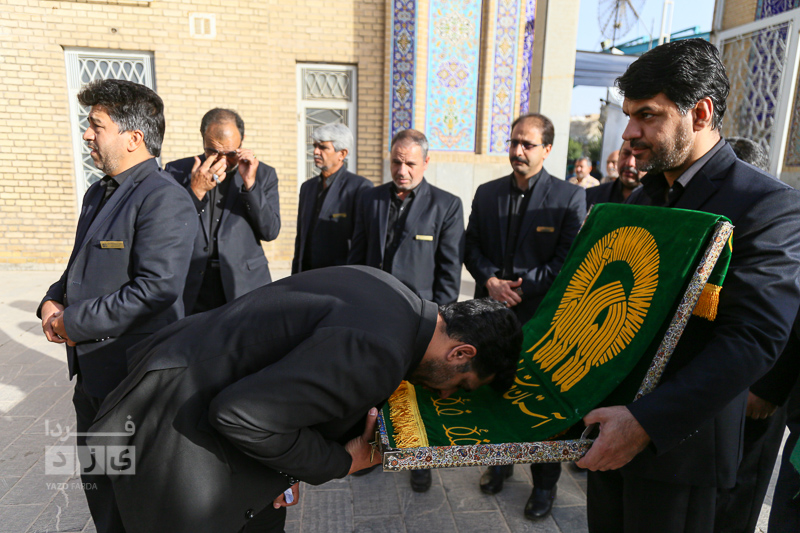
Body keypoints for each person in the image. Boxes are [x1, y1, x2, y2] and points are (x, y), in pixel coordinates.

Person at [86, 266, 523, 533]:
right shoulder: (382, 353)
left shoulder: (393, 294)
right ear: (461, 353)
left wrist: (286, 468)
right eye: (461, 384)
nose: (445, 393)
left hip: (172, 395)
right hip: (175, 439)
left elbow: (287, 387)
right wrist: (343, 461)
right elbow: (241, 416)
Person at [578, 38, 800, 533]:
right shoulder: (642, 200)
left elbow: (755, 337)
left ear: (699, 113)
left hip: (678, 453)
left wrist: (646, 423)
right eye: (629, 115)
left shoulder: (767, 205)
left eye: (647, 116)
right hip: (608, 429)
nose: (629, 133)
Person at [37, 79, 197, 533]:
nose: (86, 134)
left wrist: (72, 322)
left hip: (133, 382)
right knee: (102, 492)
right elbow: (79, 267)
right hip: (91, 379)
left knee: (139, 499)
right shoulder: (98, 192)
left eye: (97, 125)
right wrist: (51, 300)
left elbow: (156, 289)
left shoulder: (164, 197)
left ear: (133, 137)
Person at [464, 112, 586, 519]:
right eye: (514, 141)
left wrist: (518, 286)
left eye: (527, 144)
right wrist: (490, 281)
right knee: (495, 394)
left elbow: (566, 262)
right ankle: (499, 464)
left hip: (541, 321)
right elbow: (470, 247)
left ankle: (545, 485)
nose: (518, 150)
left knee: (539, 403)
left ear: (547, 149)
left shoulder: (568, 197)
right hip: (491, 317)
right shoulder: (487, 193)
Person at [348, 128, 464, 491]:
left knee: (417, 390)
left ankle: (418, 458)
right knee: (370, 384)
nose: (402, 170)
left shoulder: (446, 205)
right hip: (371, 312)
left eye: (410, 163)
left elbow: (449, 273)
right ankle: (370, 448)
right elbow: (357, 256)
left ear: (426, 163)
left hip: (420, 321)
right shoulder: (370, 199)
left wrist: (439, 326)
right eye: (396, 162)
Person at [714, 138, 792, 533]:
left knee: (741, 486)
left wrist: (769, 388)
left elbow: (789, 311)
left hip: (759, 387)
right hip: (715, 374)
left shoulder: (780, 215)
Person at [165, 108, 280, 314]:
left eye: (230, 154)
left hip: (243, 283)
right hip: (192, 283)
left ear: (242, 141)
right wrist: (195, 192)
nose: (222, 161)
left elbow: (270, 231)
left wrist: (250, 185)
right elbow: (167, 229)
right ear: (203, 138)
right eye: (213, 151)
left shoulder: (263, 173)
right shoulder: (177, 171)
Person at [292, 123, 372, 273]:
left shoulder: (359, 188)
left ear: (342, 154)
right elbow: (301, 238)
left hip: (340, 275)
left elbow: (361, 242)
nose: (316, 151)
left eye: (323, 147)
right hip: (307, 275)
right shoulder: (307, 188)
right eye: (315, 146)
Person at [586, 140, 643, 210]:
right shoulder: (591, 196)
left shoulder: (654, 201)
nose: (630, 163)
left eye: (638, 156)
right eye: (626, 154)